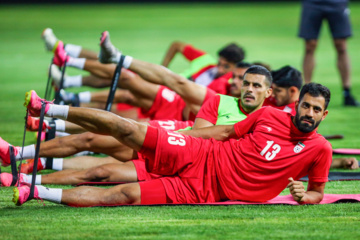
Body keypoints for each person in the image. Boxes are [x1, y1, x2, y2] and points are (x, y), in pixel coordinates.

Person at [13, 73, 332, 206]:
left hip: (204, 190)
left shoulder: (320, 149)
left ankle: (33, 189)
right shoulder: (263, 113)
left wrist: (306, 196)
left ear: (323, 115)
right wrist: (178, 135)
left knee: (122, 193)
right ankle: (50, 109)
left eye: (316, 110)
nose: (309, 112)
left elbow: (318, 191)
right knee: (126, 130)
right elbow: (221, 132)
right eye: (306, 105)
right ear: (296, 103)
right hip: (199, 152)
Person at [299, 0, 358, 106]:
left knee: (341, 45)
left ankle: (347, 93)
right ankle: (306, 93)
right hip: (312, 3)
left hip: (337, 3)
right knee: (310, 45)